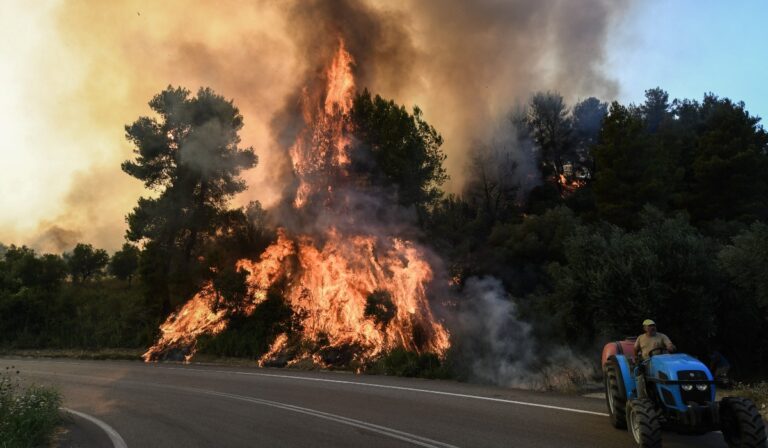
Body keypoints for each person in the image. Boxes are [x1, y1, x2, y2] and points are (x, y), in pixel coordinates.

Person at [633, 319, 675, 398]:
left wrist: (670, 347)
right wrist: (636, 357)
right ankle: (642, 396)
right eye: (650, 326)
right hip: (647, 362)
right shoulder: (640, 338)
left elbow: (669, 344)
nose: (652, 328)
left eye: (653, 326)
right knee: (639, 375)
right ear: (644, 328)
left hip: (661, 362)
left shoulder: (662, 336)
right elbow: (635, 348)